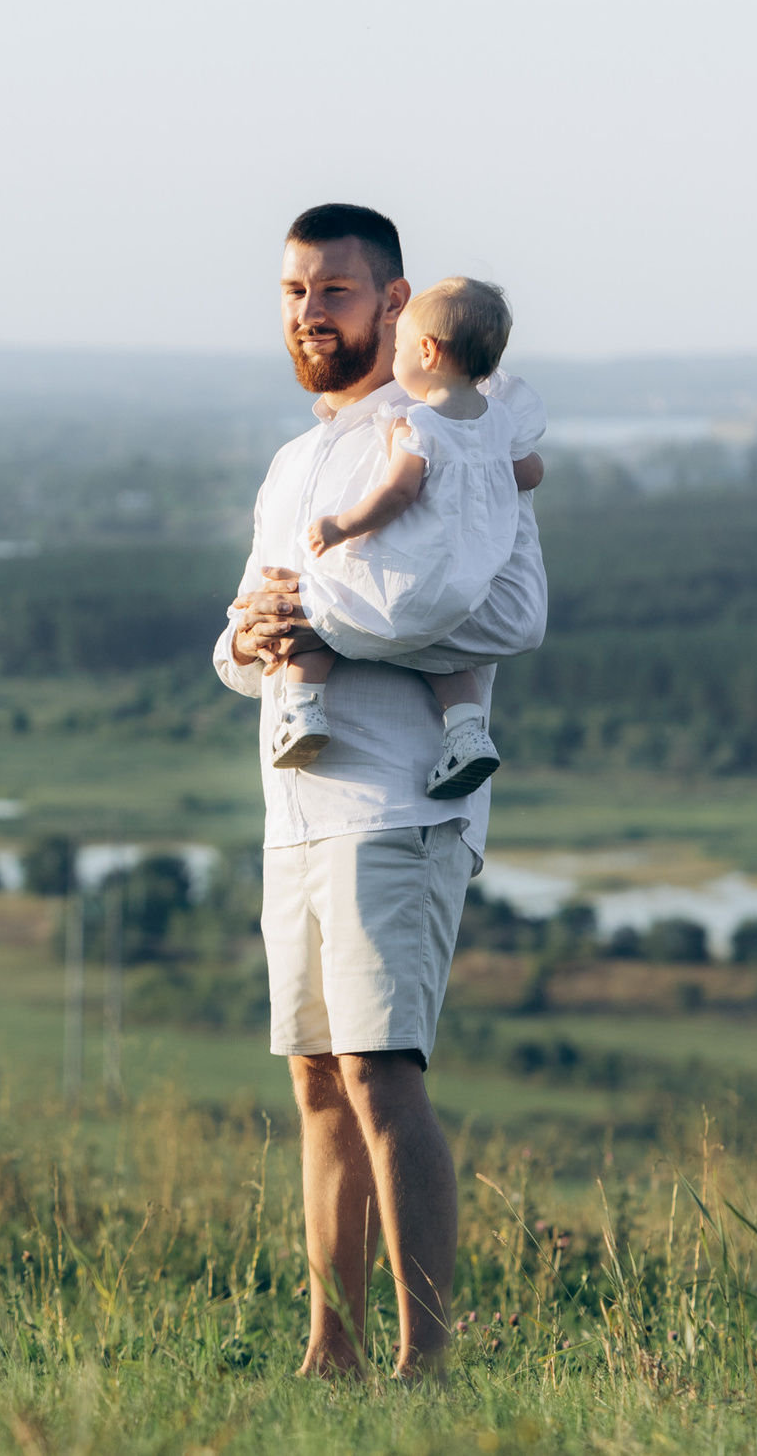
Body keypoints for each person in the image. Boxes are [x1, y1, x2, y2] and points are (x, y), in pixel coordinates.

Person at [213, 202, 547, 1380]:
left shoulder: (451, 441)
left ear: (395, 305)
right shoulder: (294, 463)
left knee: (379, 1069)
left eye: (336, 291)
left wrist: (323, 620)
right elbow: (236, 641)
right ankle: (330, 1354)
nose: (311, 313)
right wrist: (257, 629)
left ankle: (425, 1364)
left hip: (402, 802)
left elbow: (497, 614)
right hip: (296, 807)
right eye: (296, 292)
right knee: (315, 1081)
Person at [248, 275, 528, 802]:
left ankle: (304, 707)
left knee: (320, 599)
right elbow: (528, 472)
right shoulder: (497, 424)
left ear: (425, 349)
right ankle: (467, 732)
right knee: (446, 660)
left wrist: (342, 525)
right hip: (466, 577)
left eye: (398, 346)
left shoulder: (416, 422)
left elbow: (399, 492)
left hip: (415, 572)